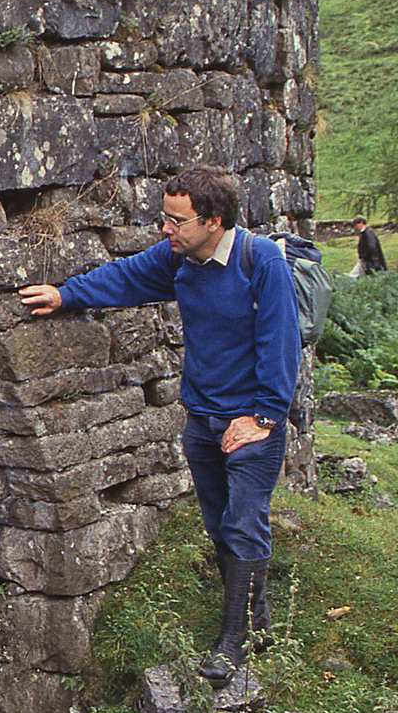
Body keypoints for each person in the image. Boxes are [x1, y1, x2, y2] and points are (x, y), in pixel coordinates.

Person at [19, 165, 301, 685]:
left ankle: (233, 641)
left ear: (213, 221)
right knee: (219, 523)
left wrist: (263, 418)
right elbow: (123, 278)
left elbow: (281, 342)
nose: (165, 230)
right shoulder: (178, 259)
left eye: (176, 221)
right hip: (203, 419)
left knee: (243, 521)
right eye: (164, 217)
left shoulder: (260, 262)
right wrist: (65, 295)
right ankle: (256, 616)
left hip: (251, 424)